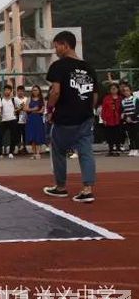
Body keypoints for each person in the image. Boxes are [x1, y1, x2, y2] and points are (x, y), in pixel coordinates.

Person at [43, 31, 98, 203]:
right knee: (86, 152)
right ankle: (87, 189)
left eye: (57, 46)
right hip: (86, 116)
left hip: (65, 117)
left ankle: (60, 187)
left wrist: (50, 109)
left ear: (65, 45)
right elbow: (95, 95)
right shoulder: (89, 67)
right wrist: (88, 109)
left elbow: (56, 91)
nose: (55, 50)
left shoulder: (58, 66)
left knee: (58, 149)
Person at [100, 83, 123, 156]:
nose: (113, 90)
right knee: (109, 135)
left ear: (117, 89)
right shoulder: (106, 98)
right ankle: (111, 150)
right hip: (109, 119)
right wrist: (103, 118)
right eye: (112, 89)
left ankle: (118, 149)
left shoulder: (120, 98)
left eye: (115, 88)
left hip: (118, 119)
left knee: (118, 135)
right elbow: (103, 109)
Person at [24, 85, 46, 160]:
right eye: (33, 90)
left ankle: (38, 153)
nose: (35, 91)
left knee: (38, 136)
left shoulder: (41, 99)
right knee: (32, 136)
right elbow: (25, 108)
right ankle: (34, 153)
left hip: (38, 119)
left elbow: (42, 110)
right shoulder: (29, 99)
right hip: (30, 119)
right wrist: (34, 109)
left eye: (36, 90)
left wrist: (32, 110)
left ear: (39, 91)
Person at [0, 85, 18, 158]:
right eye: (5, 90)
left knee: (13, 136)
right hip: (4, 120)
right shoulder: (1, 99)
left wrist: (17, 110)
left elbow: (23, 105)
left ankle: (11, 152)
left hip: (13, 120)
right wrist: (0, 114)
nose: (6, 91)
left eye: (8, 90)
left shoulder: (14, 99)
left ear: (11, 91)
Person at [120, 84, 139, 157]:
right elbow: (122, 111)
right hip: (127, 121)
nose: (126, 92)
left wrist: (131, 117)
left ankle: (137, 149)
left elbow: (137, 110)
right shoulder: (123, 101)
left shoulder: (135, 99)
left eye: (127, 90)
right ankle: (131, 149)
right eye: (124, 91)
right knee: (129, 136)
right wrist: (126, 118)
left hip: (135, 120)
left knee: (136, 135)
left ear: (130, 91)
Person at [14, 85, 28, 155]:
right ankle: (19, 148)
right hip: (17, 119)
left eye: (22, 91)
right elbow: (14, 110)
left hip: (25, 119)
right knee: (18, 135)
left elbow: (27, 108)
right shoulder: (14, 99)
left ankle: (25, 148)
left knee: (25, 134)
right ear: (17, 92)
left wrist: (22, 108)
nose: (20, 93)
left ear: (24, 92)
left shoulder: (27, 99)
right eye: (19, 91)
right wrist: (20, 108)